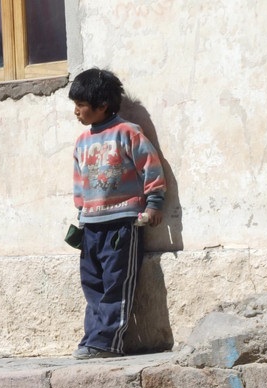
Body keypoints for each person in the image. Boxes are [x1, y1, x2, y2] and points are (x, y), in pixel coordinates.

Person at [69, 68, 166, 359]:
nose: (76, 112)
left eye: (81, 106)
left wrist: (154, 204)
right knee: (92, 283)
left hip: (122, 223)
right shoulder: (82, 141)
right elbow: (79, 179)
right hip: (91, 224)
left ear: (102, 106)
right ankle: (92, 338)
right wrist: (81, 214)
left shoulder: (128, 133)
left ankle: (108, 342)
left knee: (116, 282)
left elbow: (151, 167)